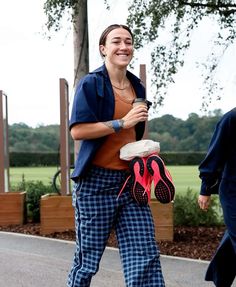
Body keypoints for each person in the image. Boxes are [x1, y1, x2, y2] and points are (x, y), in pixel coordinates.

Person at [67, 24, 165, 287]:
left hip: (131, 182)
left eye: (129, 41)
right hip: (96, 184)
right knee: (87, 263)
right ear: (103, 49)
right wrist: (121, 122)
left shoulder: (137, 86)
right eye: (116, 41)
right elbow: (78, 131)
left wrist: (146, 156)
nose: (124, 46)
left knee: (144, 256)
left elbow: (134, 135)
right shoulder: (90, 84)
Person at [198, 107, 236, 287]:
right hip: (233, 191)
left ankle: (221, 280)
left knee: (232, 240)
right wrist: (205, 188)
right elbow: (215, 154)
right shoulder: (231, 118)